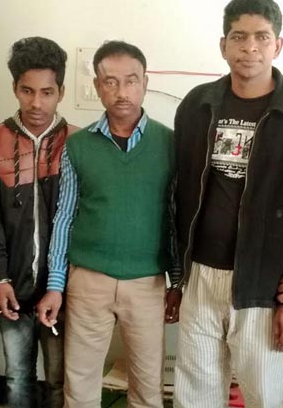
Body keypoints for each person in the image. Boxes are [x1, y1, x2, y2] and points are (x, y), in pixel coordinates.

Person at [172, 0, 283, 408]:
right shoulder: (196, 105)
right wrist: (177, 274)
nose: (250, 47)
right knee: (196, 394)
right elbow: (178, 193)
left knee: (262, 395)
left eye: (262, 37)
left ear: (278, 45)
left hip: (264, 279)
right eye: (239, 37)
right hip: (201, 273)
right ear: (223, 45)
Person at [36, 40, 181, 408]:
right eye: (110, 82)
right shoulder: (78, 146)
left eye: (131, 81)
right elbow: (65, 217)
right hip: (88, 281)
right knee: (80, 388)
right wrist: (55, 285)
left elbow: (175, 217)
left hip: (147, 283)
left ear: (145, 83)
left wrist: (177, 282)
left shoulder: (171, 144)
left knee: (147, 390)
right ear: (98, 86)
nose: (121, 92)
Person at [0, 36, 74, 408]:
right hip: (10, 285)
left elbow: (77, 220)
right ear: (14, 87)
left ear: (61, 92)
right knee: (17, 378)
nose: (36, 103)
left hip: (64, 290)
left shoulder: (78, 143)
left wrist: (63, 285)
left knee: (60, 380)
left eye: (47, 92)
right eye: (27, 91)